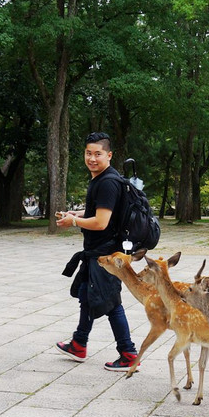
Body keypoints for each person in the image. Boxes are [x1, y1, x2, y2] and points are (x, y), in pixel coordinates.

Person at [55, 132, 140, 370]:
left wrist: (73, 223)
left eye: (98, 154)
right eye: (88, 153)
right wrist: (76, 214)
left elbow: (101, 222)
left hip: (106, 255)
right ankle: (79, 343)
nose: (92, 158)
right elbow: (100, 212)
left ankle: (129, 353)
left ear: (109, 155)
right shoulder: (103, 179)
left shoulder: (107, 183)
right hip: (97, 252)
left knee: (111, 303)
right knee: (86, 294)